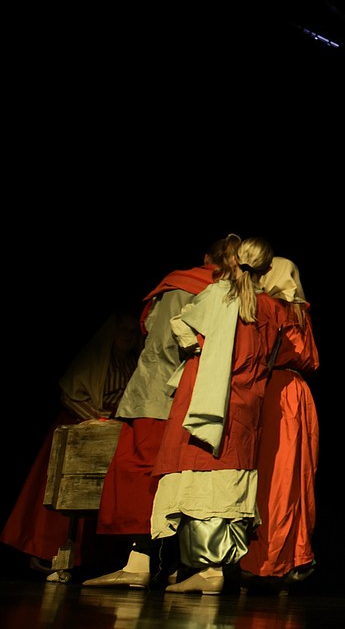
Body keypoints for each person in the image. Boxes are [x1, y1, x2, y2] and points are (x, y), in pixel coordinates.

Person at [82, 234, 242, 590]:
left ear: (205, 257)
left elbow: (158, 340)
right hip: (194, 400)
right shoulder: (221, 292)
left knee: (145, 476)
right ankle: (172, 564)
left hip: (159, 396)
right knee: (177, 480)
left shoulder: (181, 285)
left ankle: (140, 564)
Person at [149, 236, 287, 594]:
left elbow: (180, 327)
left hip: (208, 394)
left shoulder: (217, 295)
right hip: (246, 399)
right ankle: (208, 567)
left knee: (200, 470)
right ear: (266, 269)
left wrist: (199, 348)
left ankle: (208, 571)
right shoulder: (272, 307)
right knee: (225, 474)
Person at [0, 305, 142, 581]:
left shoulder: (131, 365)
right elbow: (70, 394)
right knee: (61, 495)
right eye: (123, 330)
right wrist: (97, 421)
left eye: (133, 332)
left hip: (111, 435)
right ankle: (46, 551)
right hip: (82, 429)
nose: (127, 336)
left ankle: (91, 558)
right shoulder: (95, 359)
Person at [239, 256, 321, 592]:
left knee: (276, 476)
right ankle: (291, 557)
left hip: (275, 392)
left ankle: (265, 560)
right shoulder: (301, 311)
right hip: (299, 393)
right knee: (294, 476)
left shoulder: (269, 307)